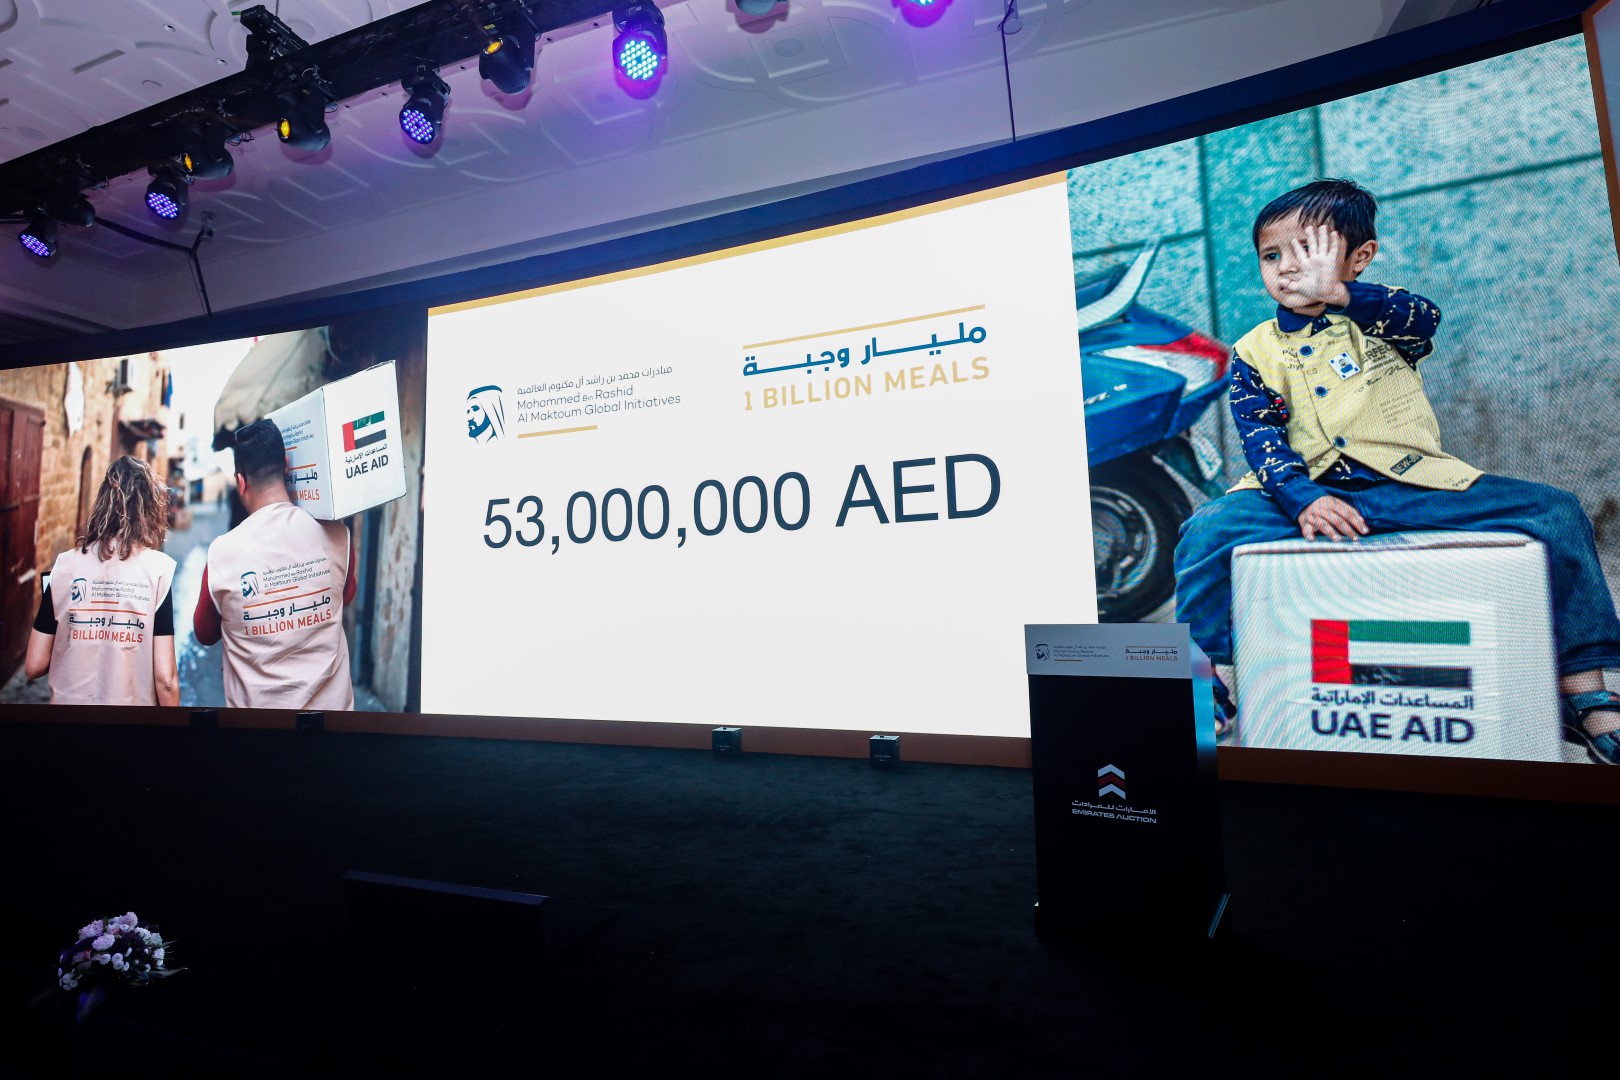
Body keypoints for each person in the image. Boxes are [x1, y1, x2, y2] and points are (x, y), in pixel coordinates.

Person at [1173, 178, 1620, 763]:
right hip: (1304, 493)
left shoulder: (1386, 317)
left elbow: (1423, 320)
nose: (1288, 268)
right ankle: (1203, 684)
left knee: (1554, 511)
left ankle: (1584, 688)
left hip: (1409, 483)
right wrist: (1302, 497)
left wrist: (1340, 295)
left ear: (1359, 257)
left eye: (1308, 250)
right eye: (1272, 255)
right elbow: (1261, 439)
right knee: (1206, 530)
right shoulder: (1254, 350)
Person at [193, 418, 356, 710]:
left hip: (258, 729)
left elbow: (205, 633)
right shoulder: (338, 534)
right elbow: (345, 595)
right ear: (287, 467)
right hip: (333, 726)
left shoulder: (221, 553)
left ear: (241, 481)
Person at [24, 456, 180, 706]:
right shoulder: (158, 571)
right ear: (148, 509)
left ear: (102, 503)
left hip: (67, 720)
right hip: (130, 721)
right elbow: (166, 680)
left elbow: (34, 665)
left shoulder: (64, 566)